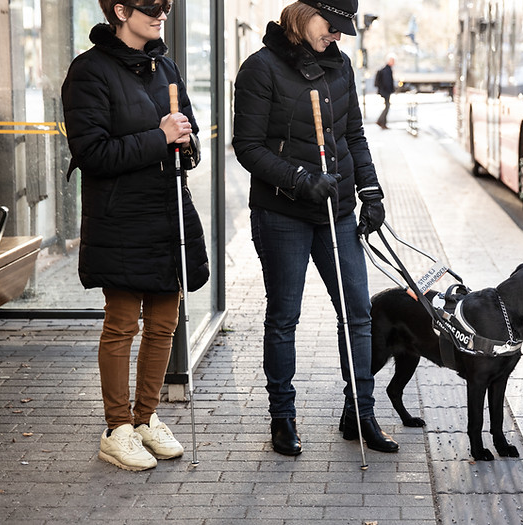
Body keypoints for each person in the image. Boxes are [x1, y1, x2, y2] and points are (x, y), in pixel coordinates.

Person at [232, 0, 397, 457]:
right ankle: (283, 419)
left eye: (344, 29)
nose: (338, 37)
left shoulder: (339, 66)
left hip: (338, 210)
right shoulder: (260, 69)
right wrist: (300, 179)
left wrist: (372, 191)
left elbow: (354, 135)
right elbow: (246, 146)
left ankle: (360, 412)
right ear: (303, 16)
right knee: (285, 318)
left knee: (358, 313)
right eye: (332, 26)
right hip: (282, 212)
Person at [61, 0, 209, 471]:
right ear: (120, 10)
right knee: (122, 323)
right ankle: (117, 428)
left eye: (165, 5)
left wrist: (188, 142)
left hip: (167, 213)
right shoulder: (88, 72)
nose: (161, 12)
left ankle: (145, 420)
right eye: (151, 6)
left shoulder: (163, 64)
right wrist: (161, 137)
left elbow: (186, 129)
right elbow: (93, 153)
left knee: (165, 322)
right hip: (121, 217)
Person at [374, 55, 395, 129]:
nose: (394, 63)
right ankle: (380, 121)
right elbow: (387, 82)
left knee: (387, 106)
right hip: (386, 91)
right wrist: (390, 90)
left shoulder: (386, 69)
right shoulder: (387, 70)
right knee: (387, 106)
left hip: (385, 91)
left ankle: (383, 123)